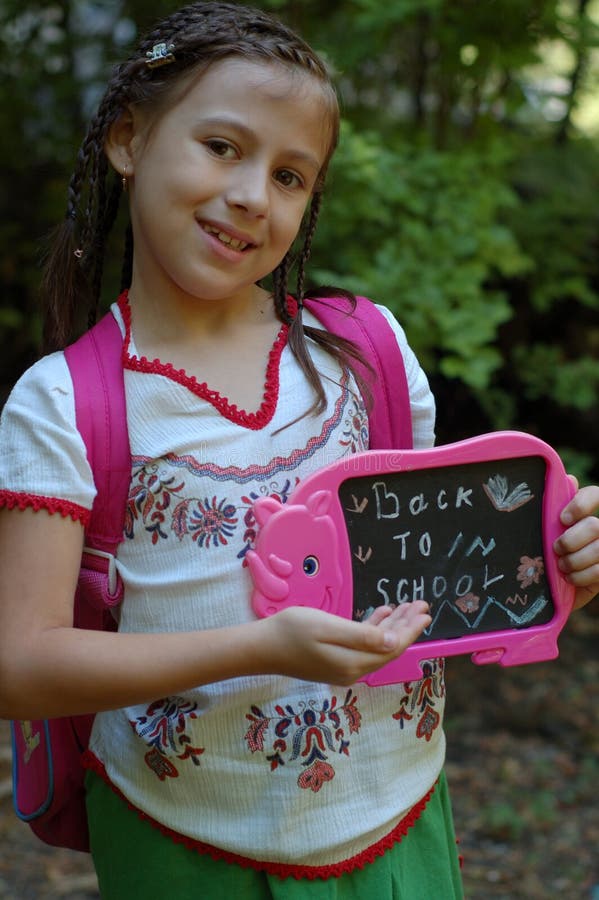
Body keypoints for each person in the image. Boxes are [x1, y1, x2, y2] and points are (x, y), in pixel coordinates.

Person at [0, 3, 597, 897]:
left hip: (396, 823)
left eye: (290, 176)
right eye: (222, 146)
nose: (251, 195)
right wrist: (261, 646)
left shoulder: (368, 356)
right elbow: (23, 664)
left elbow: (438, 584)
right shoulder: (64, 403)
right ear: (128, 139)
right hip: (183, 847)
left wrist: (554, 571)